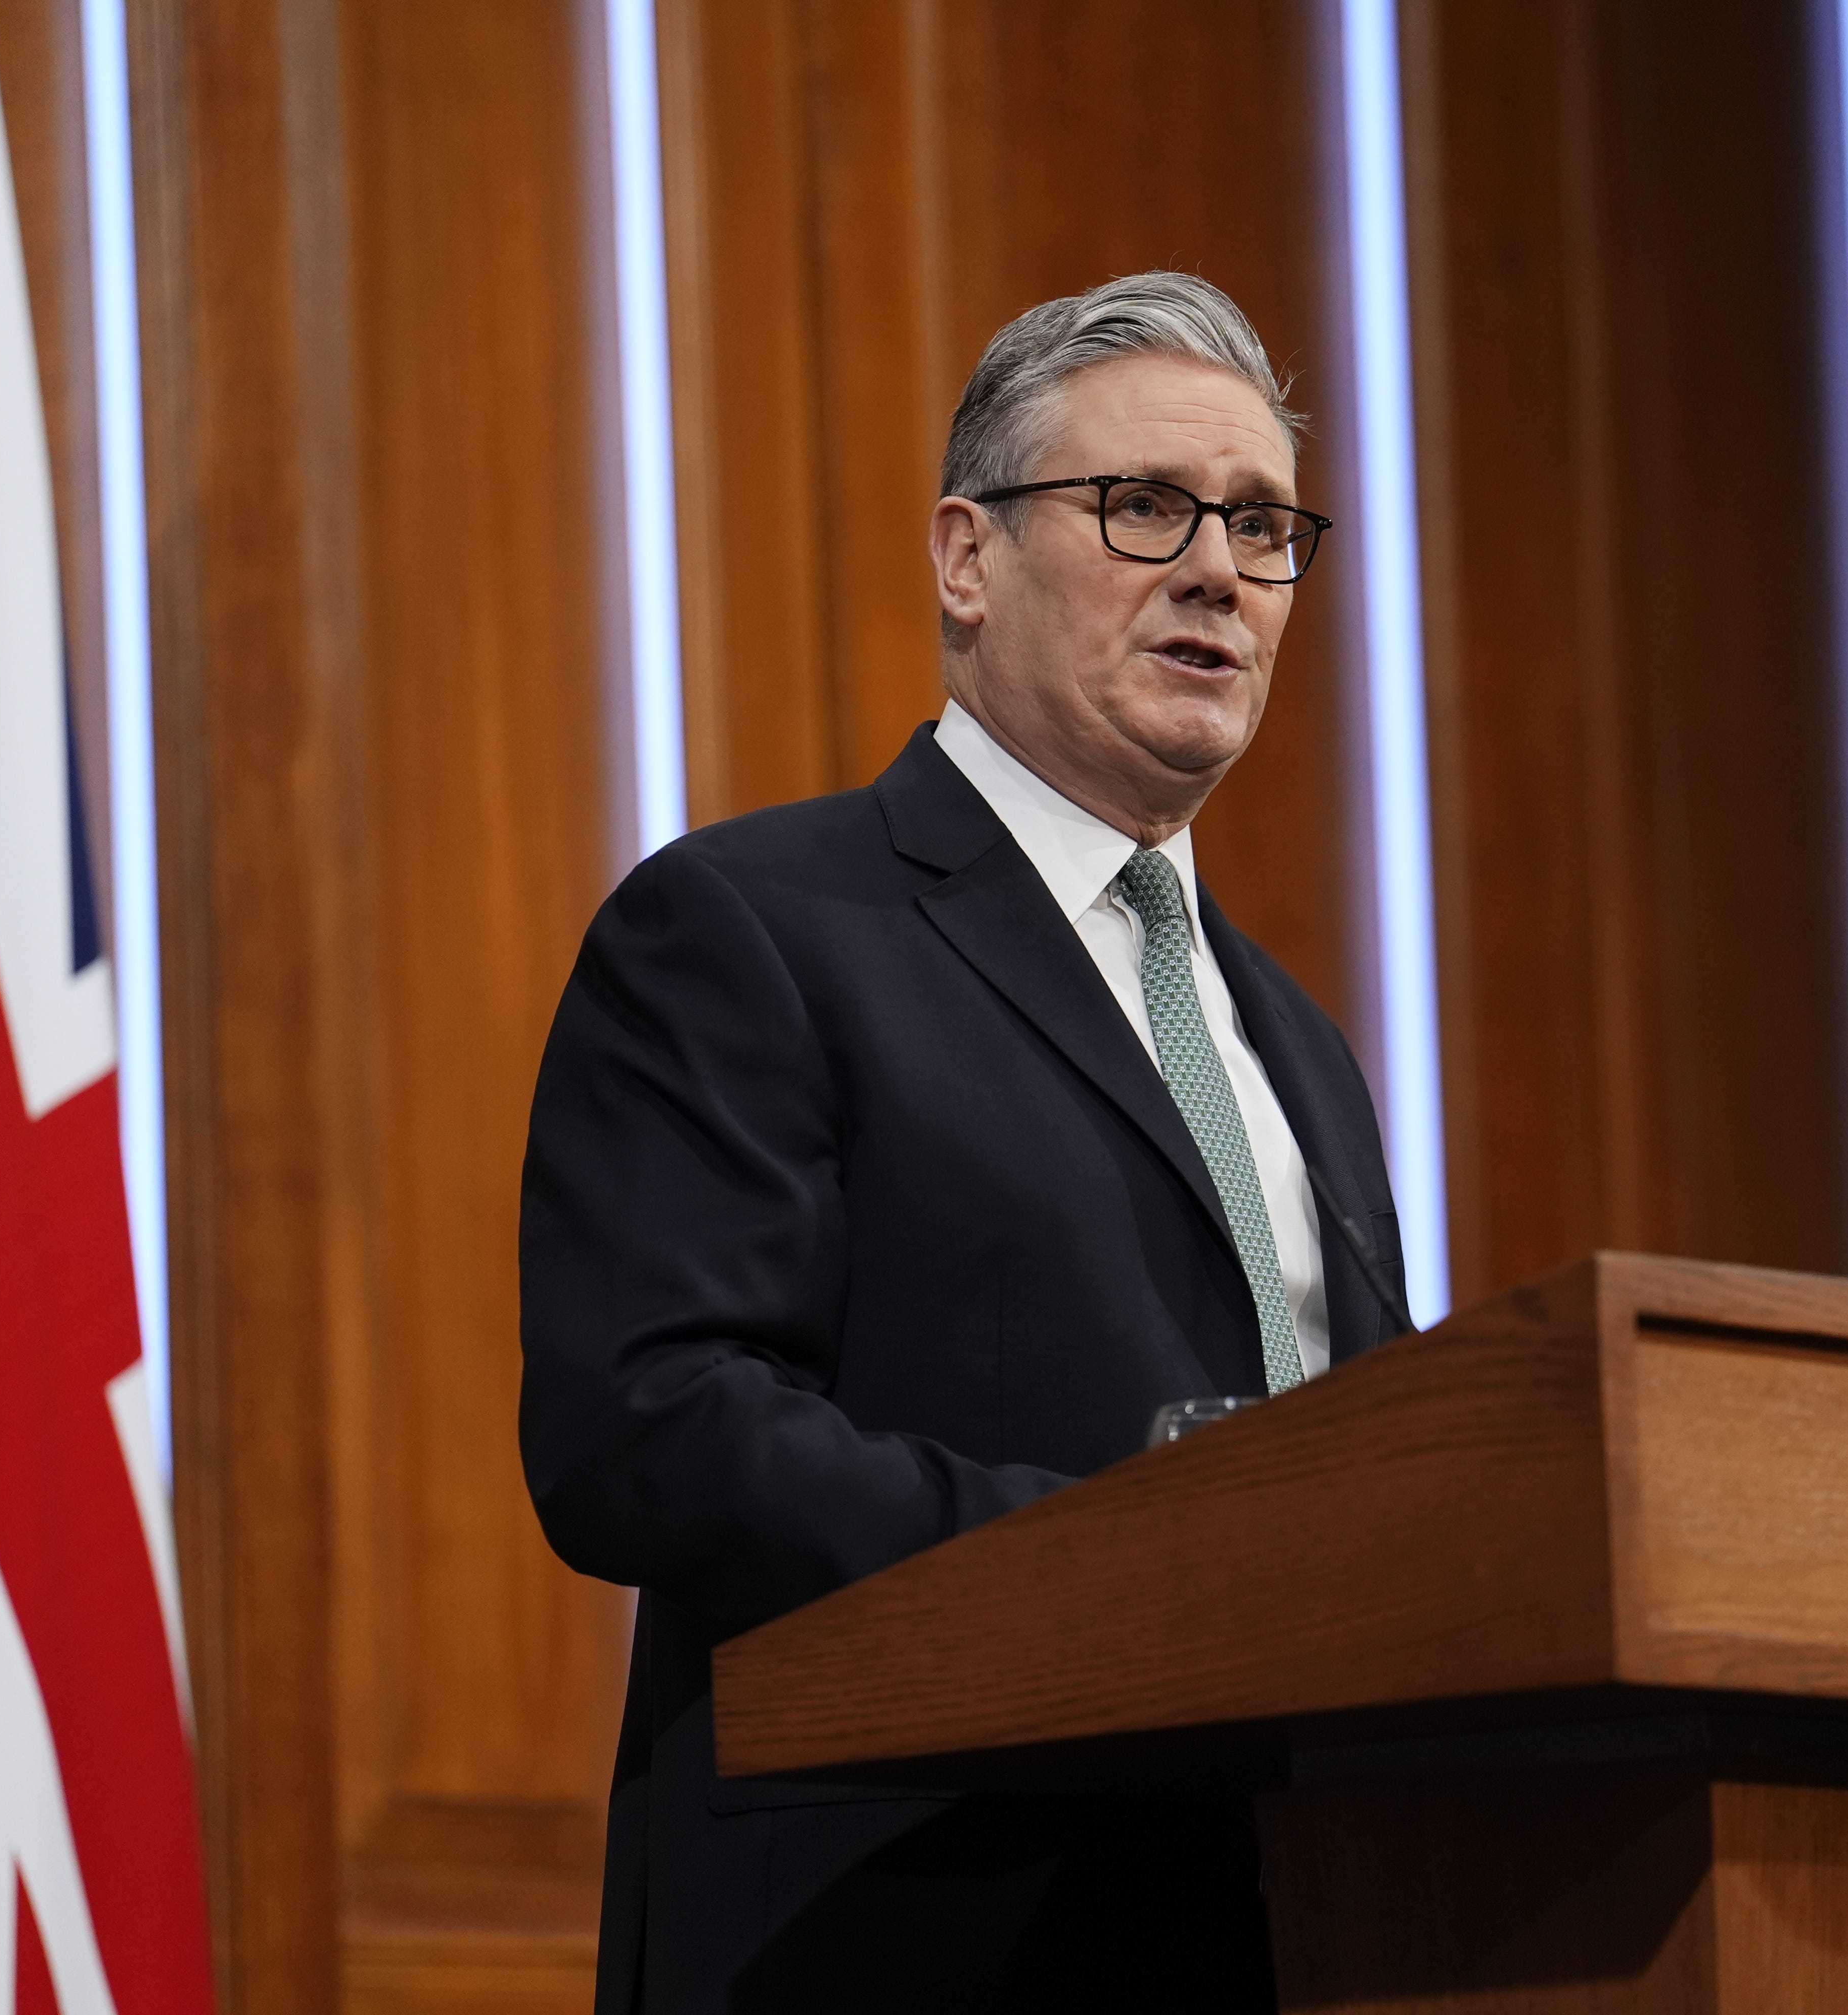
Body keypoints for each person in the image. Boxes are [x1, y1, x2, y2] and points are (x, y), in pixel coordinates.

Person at [519, 271, 1411, 2013]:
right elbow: (647, 1427)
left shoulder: (1296, 1043)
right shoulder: (752, 930)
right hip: (897, 1938)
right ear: (966, 558)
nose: (1219, 570)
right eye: (1145, 506)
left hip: (1304, 1937)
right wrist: (1120, 1571)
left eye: (1261, 524)